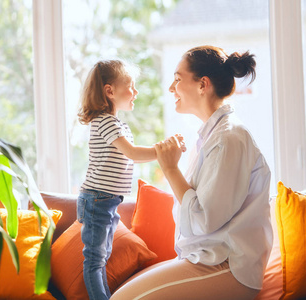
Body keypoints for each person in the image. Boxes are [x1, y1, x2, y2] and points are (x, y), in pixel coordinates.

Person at [111, 46, 273, 300]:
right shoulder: (211, 138)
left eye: (177, 79)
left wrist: (170, 168)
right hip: (207, 258)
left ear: (202, 85)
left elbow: (203, 220)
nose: (170, 88)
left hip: (229, 266)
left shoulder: (228, 139)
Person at [77, 59, 185, 300]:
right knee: (95, 259)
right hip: (97, 199)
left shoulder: (118, 125)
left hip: (107, 200)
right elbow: (134, 153)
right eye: (131, 85)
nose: (135, 91)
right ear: (109, 91)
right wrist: (165, 149)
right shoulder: (104, 122)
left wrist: (167, 148)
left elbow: (133, 156)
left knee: (101, 257)